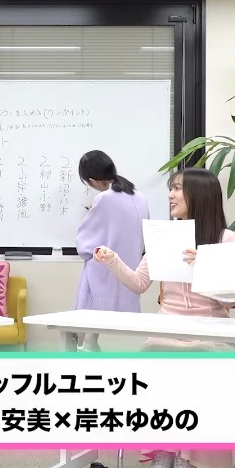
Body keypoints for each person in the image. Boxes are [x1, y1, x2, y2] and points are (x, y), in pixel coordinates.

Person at [94, 167, 235, 468]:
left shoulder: (226, 240)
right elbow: (139, 283)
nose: (170, 195)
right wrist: (114, 261)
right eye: (171, 189)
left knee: (201, 373)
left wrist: (206, 267)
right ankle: (163, 453)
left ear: (199, 194)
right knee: (151, 368)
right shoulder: (164, 235)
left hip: (210, 329)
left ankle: (188, 460)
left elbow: (233, 301)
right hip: (167, 326)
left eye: (177, 189)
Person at [72, 150, 150, 352]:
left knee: (86, 321)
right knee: (101, 328)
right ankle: (90, 346)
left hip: (104, 270)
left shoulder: (104, 198)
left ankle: (84, 350)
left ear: (91, 180)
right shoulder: (140, 197)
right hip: (131, 271)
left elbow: (86, 240)